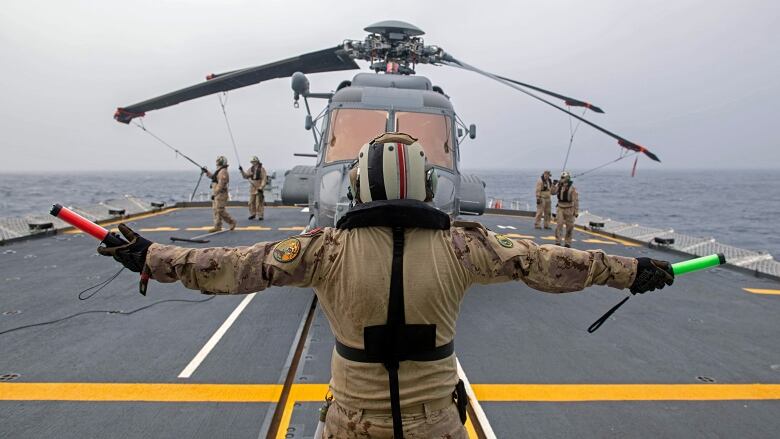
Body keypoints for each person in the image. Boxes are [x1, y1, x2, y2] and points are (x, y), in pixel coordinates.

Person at [97, 132, 674, 439]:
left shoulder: (322, 251)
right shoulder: (466, 246)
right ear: (426, 184)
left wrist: (152, 256)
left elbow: (232, 265)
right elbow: (547, 262)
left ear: (356, 186)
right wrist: (632, 270)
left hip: (352, 424)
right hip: (437, 426)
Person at [201, 155, 236, 233]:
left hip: (221, 194)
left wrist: (215, 193)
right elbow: (214, 177)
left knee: (220, 210)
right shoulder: (220, 170)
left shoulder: (223, 171)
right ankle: (217, 226)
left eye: (218, 161)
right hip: (217, 193)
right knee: (216, 210)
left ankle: (232, 222)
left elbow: (221, 185)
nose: (217, 162)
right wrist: (206, 172)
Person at [553, 171, 578, 247]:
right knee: (559, 225)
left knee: (570, 227)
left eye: (563, 178)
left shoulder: (572, 188)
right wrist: (553, 185)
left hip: (569, 208)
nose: (561, 179)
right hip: (560, 207)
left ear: (567, 178)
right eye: (561, 177)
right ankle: (558, 241)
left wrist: (576, 211)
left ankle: (567, 242)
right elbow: (552, 192)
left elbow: (575, 200)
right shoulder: (559, 186)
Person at [239, 156, 267, 220]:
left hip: (259, 186)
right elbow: (245, 176)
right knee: (251, 202)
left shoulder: (262, 169)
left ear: (257, 161)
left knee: (259, 202)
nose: (253, 163)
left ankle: (260, 215)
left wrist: (261, 187)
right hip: (253, 187)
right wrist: (241, 170)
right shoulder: (251, 169)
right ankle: (253, 214)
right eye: (252, 162)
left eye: (254, 161)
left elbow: (264, 179)